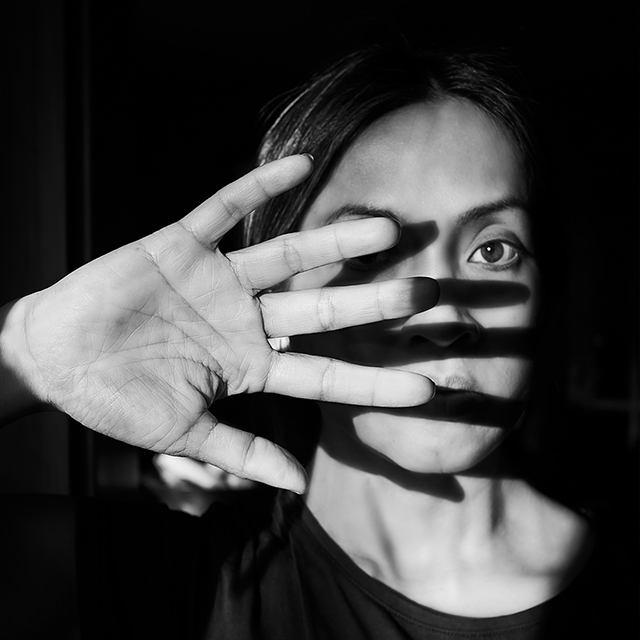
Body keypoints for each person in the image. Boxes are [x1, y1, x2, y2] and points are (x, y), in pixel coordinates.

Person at [0, 44, 635, 639]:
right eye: (369, 253)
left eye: (493, 251)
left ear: (547, 289)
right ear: (275, 292)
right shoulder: (175, 583)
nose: (441, 316)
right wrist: (25, 354)